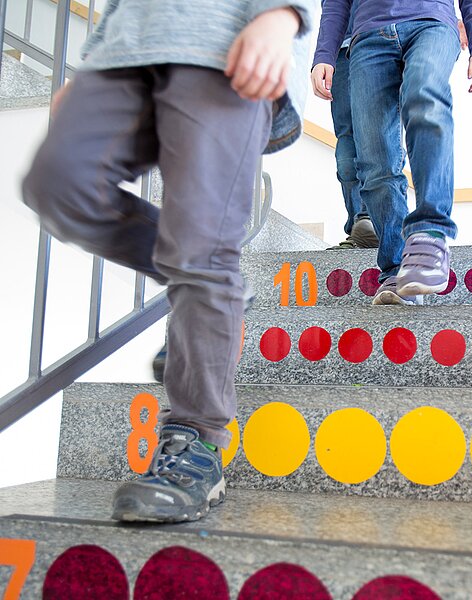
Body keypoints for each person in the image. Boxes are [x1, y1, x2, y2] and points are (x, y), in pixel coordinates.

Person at [22, 0, 315, 522]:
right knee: (59, 186)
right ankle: (214, 290)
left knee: (202, 247)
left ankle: (196, 442)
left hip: (222, 41)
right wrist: (90, 58)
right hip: (126, 48)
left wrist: (282, 15)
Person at [312, 0, 472, 305]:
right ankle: (396, 269)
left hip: (430, 21)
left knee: (424, 100)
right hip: (367, 36)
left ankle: (429, 234)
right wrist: (324, 53)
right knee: (375, 161)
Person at [326, 0, 379, 250]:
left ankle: (374, 220)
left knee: (378, 137)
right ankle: (359, 226)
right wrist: (323, 55)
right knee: (346, 155)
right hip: (342, 48)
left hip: (383, 40)